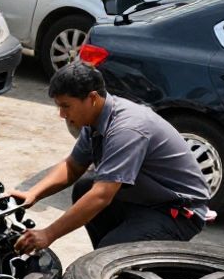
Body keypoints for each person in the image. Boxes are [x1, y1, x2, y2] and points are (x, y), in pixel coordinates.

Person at [11, 61, 211, 252]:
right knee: (84, 188)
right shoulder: (95, 119)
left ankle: (119, 267)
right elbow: (73, 166)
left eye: (66, 106)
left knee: (108, 255)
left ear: (92, 98)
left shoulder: (127, 128)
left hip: (176, 213)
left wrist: (49, 234)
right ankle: (119, 263)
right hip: (145, 200)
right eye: (59, 107)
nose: (62, 114)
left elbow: (102, 195)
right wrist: (34, 193)